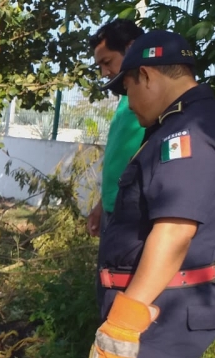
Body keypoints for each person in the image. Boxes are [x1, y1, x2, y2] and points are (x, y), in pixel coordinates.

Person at [85, 30, 215, 358]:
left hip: (157, 312)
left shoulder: (187, 133)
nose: (128, 102)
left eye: (126, 88)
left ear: (147, 75)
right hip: (163, 307)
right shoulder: (185, 123)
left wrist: (125, 321)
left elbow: (175, 231)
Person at [87, 19, 145, 238]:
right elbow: (121, 162)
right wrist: (103, 204)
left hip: (134, 216)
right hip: (114, 209)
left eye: (107, 62)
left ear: (131, 48)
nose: (104, 72)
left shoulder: (153, 103)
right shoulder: (126, 99)